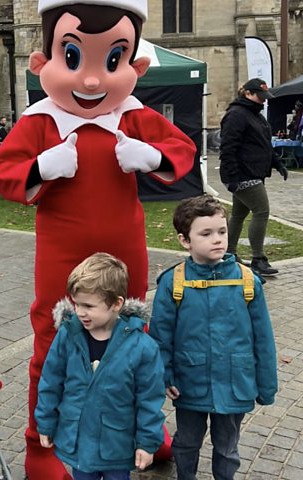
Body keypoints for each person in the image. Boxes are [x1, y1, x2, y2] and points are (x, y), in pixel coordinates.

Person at [0, 1, 195, 476]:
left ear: (135, 66)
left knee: (131, 337)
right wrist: (42, 167)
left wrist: (151, 155)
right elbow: (1, 172)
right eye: (74, 58)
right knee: (55, 338)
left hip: (125, 252)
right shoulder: (40, 120)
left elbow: (181, 150)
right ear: (43, 61)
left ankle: (142, 433)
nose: (93, 81)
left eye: (113, 61)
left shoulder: (133, 114)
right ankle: (46, 447)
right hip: (62, 253)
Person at [149, 195, 278, 480]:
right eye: (206, 234)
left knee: (228, 448)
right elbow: (160, 337)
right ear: (185, 240)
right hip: (188, 384)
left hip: (236, 383)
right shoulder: (173, 282)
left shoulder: (247, 280)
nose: (217, 239)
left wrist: (266, 386)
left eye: (222, 231)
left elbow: (263, 340)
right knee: (186, 442)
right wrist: (165, 377)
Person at [36, 252, 166, 480]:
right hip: (79, 441)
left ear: (116, 303)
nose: (79, 312)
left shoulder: (142, 347)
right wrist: (45, 422)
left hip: (117, 444)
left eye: (88, 305)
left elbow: (149, 398)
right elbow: (50, 381)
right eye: (76, 304)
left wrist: (147, 442)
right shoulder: (69, 335)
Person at [219, 77, 288, 276]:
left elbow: (264, 145)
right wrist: (231, 177)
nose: (264, 100)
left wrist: (277, 163)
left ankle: (228, 253)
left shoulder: (255, 115)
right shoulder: (236, 115)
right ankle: (258, 259)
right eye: (260, 96)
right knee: (261, 211)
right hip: (242, 174)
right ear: (247, 94)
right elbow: (228, 148)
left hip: (252, 172)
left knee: (240, 214)